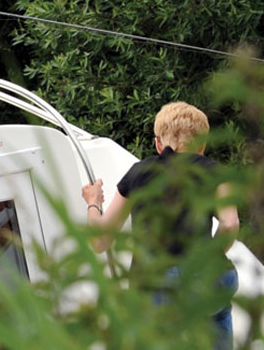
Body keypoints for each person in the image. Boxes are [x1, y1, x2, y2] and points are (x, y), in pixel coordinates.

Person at [81, 102, 241, 350]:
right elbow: (230, 224)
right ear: (202, 145)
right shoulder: (215, 172)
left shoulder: (138, 173)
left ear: (158, 144)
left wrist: (94, 202)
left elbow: (100, 242)